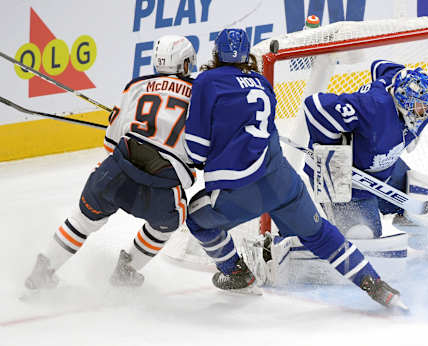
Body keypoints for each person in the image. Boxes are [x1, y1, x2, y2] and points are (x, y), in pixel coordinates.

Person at [183, 28, 407, 310]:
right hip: (283, 182)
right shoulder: (262, 82)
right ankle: (377, 286)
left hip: (239, 190)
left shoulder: (206, 81)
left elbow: (196, 150)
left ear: (216, 53)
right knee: (321, 235)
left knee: (196, 218)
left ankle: (236, 273)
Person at [24, 35, 197, 289]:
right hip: (158, 190)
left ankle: (44, 268)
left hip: (115, 176)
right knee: (170, 220)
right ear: (184, 64)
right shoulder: (199, 95)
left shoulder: (135, 86)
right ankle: (126, 270)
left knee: (82, 219)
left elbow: (111, 143)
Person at [302, 60, 428, 239]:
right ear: (404, 100)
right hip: (347, 184)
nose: (425, 111)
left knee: (427, 204)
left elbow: (380, 65)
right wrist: (335, 158)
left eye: (427, 106)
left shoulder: (399, 86)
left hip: (384, 167)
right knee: (361, 236)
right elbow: (316, 106)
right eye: (420, 106)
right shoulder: (373, 107)